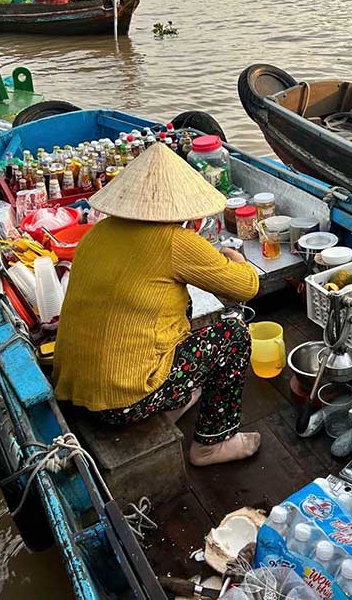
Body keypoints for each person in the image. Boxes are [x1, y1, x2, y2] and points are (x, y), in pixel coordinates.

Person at [53, 144, 262, 467]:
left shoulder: (98, 232)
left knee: (179, 305)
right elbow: (247, 287)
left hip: (76, 388)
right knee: (233, 334)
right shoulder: (176, 242)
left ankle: (172, 396)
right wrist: (237, 259)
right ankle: (212, 443)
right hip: (121, 401)